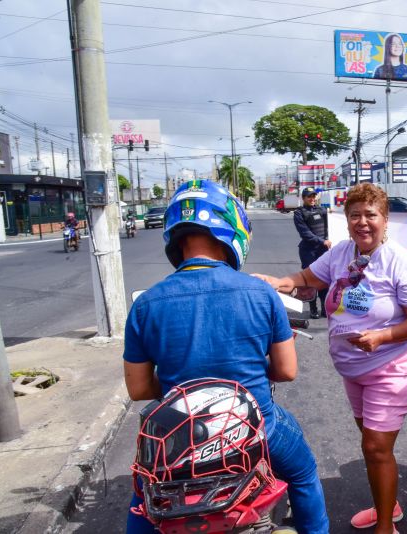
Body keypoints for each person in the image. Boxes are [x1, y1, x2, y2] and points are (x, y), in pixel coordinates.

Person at [122, 180, 329, 534]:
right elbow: (286, 370)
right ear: (231, 229)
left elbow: (140, 389)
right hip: (257, 426)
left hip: (181, 437)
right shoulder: (260, 293)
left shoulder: (146, 305)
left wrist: (188, 382)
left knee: (144, 499)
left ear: (175, 237)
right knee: (303, 473)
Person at [255, 183, 407, 534]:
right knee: (372, 447)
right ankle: (389, 504)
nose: (362, 222)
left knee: (375, 446)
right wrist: (280, 282)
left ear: (385, 219)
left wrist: (382, 336)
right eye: (355, 215)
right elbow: (308, 277)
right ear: (346, 220)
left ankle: (386, 527)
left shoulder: (400, 261)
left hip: (390, 367)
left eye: (371, 215)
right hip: (354, 370)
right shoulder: (341, 253)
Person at [294, 187, 331, 318]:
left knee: (325, 278)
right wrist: (321, 241)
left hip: (323, 250)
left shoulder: (323, 210)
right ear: (303, 198)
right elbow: (305, 233)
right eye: (309, 196)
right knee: (310, 279)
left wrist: (333, 213)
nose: (312, 199)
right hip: (308, 251)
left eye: (314, 196)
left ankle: (325, 308)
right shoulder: (299, 213)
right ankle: (313, 308)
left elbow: (331, 225)